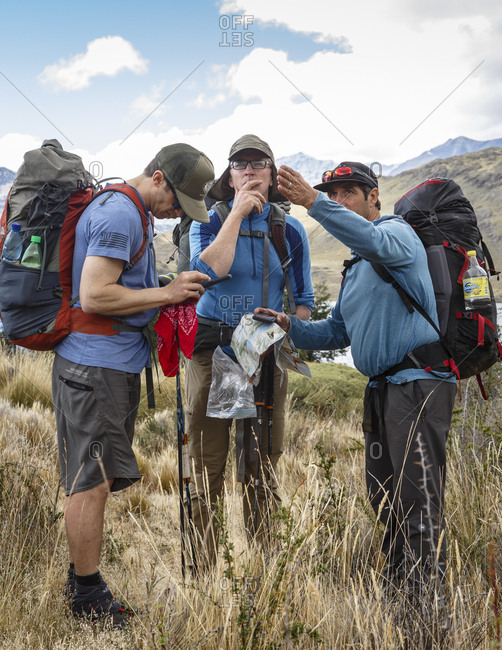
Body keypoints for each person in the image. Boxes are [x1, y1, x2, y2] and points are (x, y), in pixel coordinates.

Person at [256, 161, 457, 595]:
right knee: (385, 499)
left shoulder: (397, 235)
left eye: (350, 192)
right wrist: (288, 323)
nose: (340, 200)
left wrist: (314, 203)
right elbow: (337, 332)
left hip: (418, 384)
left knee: (417, 501)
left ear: (373, 197)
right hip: (382, 392)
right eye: (334, 193)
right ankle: (399, 592)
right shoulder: (356, 268)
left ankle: (426, 609)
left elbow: (370, 239)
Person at [52, 144, 214, 625]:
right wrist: (167, 293)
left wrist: (165, 284)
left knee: (94, 476)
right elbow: (96, 292)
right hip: (94, 366)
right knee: (91, 480)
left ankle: (81, 578)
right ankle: (87, 597)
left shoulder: (132, 210)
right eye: (177, 203)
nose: (174, 216)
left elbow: (119, 280)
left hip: (107, 365)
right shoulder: (121, 214)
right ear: (159, 178)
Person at [186, 134, 314, 569]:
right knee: (206, 470)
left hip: (263, 358)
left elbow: (303, 301)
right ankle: (202, 575)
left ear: (272, 174)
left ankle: (265, 572)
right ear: (230, 175)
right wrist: (238, 214)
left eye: (259, 163)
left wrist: (286, 328)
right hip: (214, 354)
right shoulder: (208, 219)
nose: (250, 170)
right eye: (240, 164)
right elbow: (203, 275)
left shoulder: (289, 229)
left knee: (261, 470)